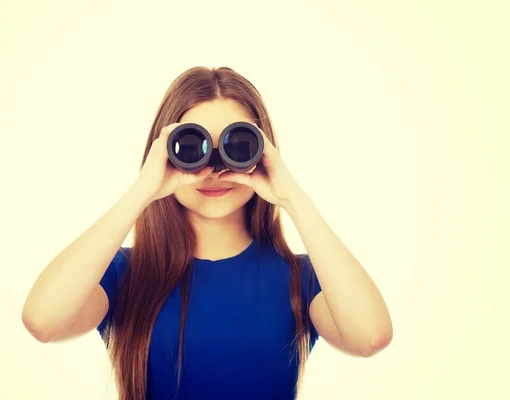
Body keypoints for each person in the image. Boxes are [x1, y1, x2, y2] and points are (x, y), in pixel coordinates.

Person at [22, 66, 393, 400]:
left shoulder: (303, 279)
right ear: (163, 152)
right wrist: (143, 191)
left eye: (237, 147)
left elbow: (370, 336)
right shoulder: (124, 274)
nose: (213, 170)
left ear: (263, 154)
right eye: (190, 147)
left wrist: (292, 197)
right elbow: (42, 320)